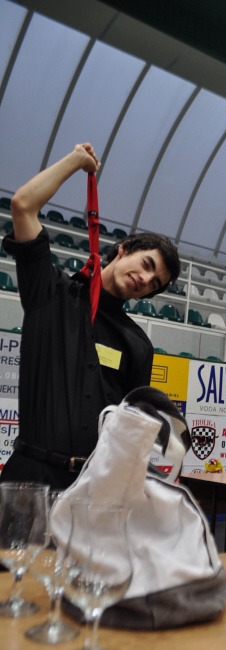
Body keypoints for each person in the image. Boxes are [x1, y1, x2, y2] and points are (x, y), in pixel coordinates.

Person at [1, 143, 181, 490]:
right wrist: (75, 161)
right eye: (147, 265)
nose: (145, 280)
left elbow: (131, 432)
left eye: (154, 284)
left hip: (91, 488)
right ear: (123, 249)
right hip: (28, 481)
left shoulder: (138, 345)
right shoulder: (50, 294)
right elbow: (23, 206)